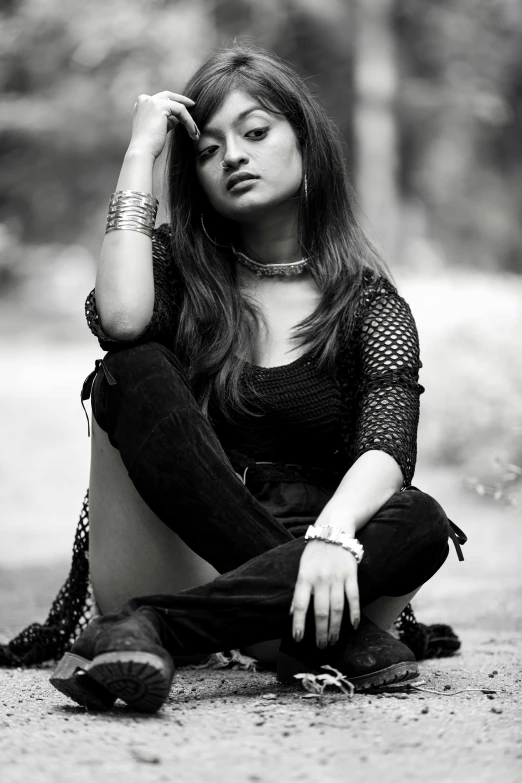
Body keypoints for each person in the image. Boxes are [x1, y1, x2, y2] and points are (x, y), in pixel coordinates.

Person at [0, 44, 467, 711]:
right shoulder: (177, 275)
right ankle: (328, 641)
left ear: (305, 143)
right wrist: (142, 154)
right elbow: (124, 317)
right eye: (210, 149)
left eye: (254, 133)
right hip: (183, 560)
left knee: (420, 519)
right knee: (131, 366)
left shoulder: (369, 306)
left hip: (324, 577)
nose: (234, 157)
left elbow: (388, 448)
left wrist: (333, 535)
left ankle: (155, 627)